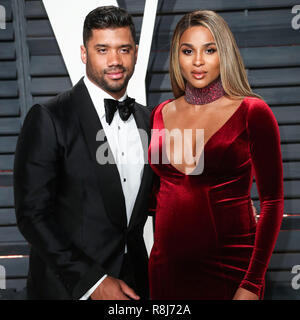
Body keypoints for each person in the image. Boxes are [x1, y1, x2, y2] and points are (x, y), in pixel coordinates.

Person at [13, 6, 153, 300]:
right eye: (102, 49)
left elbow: (159, 200)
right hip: (68, 288)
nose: (115, 61)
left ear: (136, 52)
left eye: (123, 49)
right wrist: (93, 281)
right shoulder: (49, 118)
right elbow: (32, 215)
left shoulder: (148, 120)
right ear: (84, 52)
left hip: (136, 286)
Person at [148, 10, 284, 300]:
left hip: (231, 272)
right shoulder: (160, 114)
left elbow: (272, 202)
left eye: (209, 50)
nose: (198, 61)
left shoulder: (252, 112)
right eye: (188, 51)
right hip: (165, 272)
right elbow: (157, 196)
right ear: (177, 56)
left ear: (224, 54)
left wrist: (253, 283)